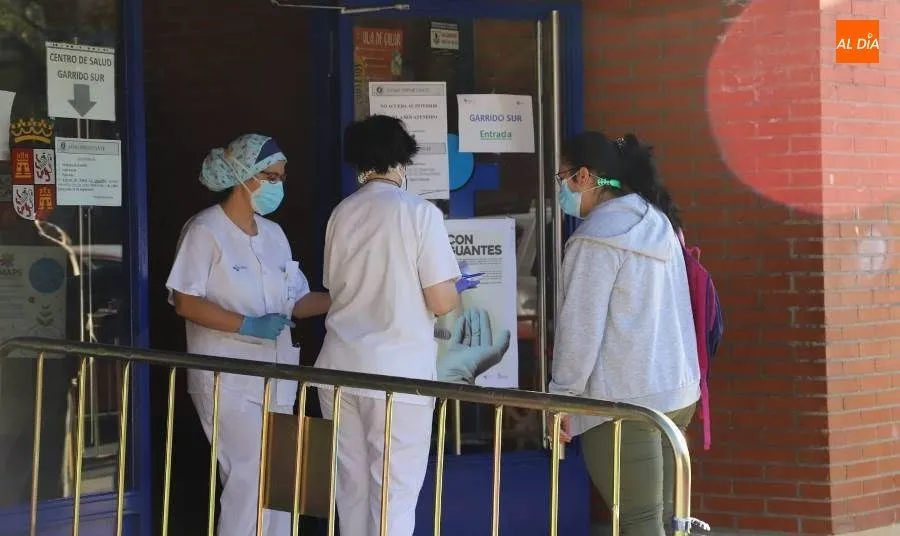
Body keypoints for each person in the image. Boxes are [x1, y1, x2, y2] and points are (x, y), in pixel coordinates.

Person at [166, 133, 330, 536]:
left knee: (283, 485)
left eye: (281, 177)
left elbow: (298, 299)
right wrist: (246, 325)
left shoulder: (274, 235)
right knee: (249, 481)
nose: (279, 186)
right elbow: (185, 301)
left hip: (279, 378)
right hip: (229, 381)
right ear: (243, 177)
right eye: (271, 176)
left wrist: (349, 297)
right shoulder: (205, 230)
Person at [315, 114, 461, 536]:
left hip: (339, 369)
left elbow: (335, 286)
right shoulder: (420, 214)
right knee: (393, 497)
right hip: (399, 376)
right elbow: (439, 298)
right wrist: (455, 287)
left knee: (353, 493)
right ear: (403, 159)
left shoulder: (341, 214)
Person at [548, 132, 700, 536]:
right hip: (676, 392)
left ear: (584, 176)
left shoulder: (594, 240)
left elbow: (580, 330)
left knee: (638, 524)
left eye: (561, 176)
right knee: (667, 522)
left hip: (622, 402)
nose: (560, 188)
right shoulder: (659, 223)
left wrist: (561, 399)